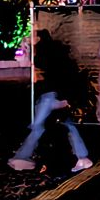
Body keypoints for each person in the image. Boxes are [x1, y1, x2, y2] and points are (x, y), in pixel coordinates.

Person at [9, 29, 92, 173]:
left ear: (39, 39)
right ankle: (83, 157)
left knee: (38, 126)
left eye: (32, 36)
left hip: (50, 94)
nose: (29, 38)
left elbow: (37, 68)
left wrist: (27, 48)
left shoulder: (43, 53)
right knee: (66, 123)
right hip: (55, 93)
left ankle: (23, 157)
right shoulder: (51, 52)